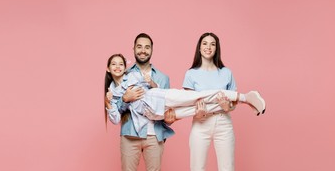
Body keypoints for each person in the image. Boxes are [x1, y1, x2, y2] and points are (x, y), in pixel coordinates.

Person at [182, 32, 255, 171]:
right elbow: (187, 104)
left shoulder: (226, 73)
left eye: (212, 44)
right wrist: (199, 112)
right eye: (204, 43)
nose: (208, 47)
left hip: (223, 123)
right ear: (199, 47)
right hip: (200, 124)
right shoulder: (191, 74)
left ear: (216, 48)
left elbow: (232, 104)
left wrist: (227, 107)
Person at [107, 33, 173, 171]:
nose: (143, 50)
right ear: (133, 49)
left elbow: (168, 106)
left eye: (146, 47)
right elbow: (116, 110)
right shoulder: (124, 75)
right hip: (130, 135)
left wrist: (170, 117)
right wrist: (125, 99)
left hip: (155, 135)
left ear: (152, 50)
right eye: (139, 47)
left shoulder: (162, 77)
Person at [105, 54, 266, 135]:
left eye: (121, 64)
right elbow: (116, 119)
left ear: (125, 67)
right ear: (108, 69)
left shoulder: (132, 75)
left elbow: (152, 85)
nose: (118, 67)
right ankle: (246, 102)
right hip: (154, 114)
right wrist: (110, 104)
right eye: (114, 64)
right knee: (198, 109)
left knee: (199, 96)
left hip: (160, 97)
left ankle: (245, 97)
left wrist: (150, 83)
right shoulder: (112, 93)